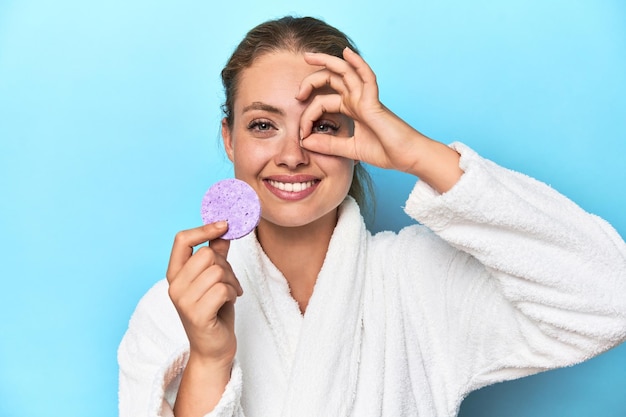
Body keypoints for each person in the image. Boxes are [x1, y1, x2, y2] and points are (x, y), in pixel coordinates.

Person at [118, 15, 626, 417]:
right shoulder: (171, 311)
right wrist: (210, 361)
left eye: (323, 124)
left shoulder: (420, 280)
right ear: (229, 138)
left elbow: (611, 298)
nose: (292, 155)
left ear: (359, 138)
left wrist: (416, 154)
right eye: (263, 124)